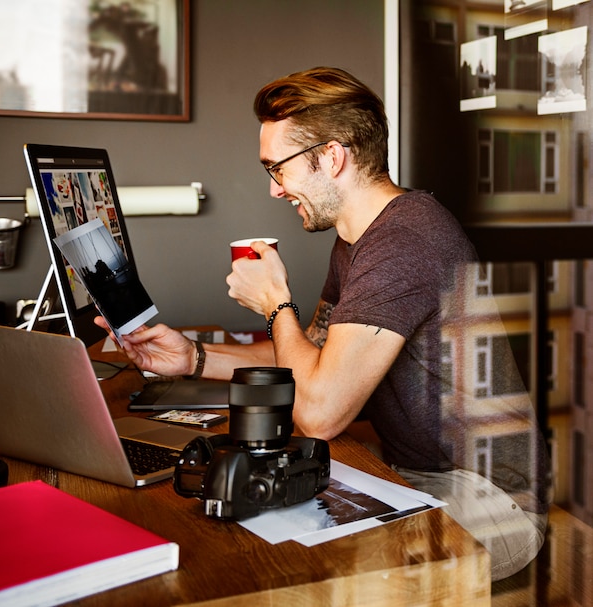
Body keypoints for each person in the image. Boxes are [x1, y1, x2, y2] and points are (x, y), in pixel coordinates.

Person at [96, 67, 551, 580]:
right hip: (412, 476)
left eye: (277, 168)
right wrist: (193, 358)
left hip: (490, 500)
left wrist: (274, 302)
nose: (274, 189)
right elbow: (310, 355)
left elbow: (319, 413)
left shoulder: (406, 241)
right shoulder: (358, 237)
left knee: (290, 570)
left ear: (332, 157)